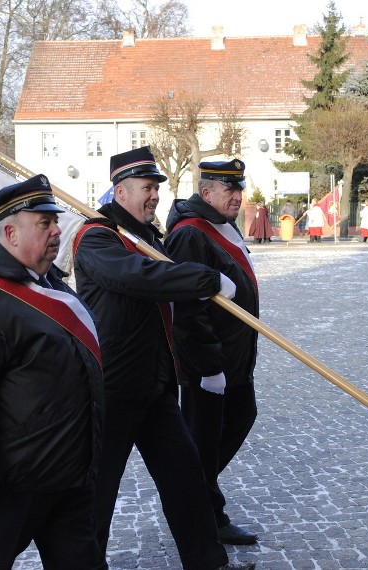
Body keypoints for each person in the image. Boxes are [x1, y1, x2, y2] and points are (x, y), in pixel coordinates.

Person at [73, 146, 254, 570]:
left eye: (156, 188)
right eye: (146, 188)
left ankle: (207, 561)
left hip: (156, 385)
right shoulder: (96, 238)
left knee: (186, 479)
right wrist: (207, 279)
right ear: (120, 191)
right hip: (114, 386)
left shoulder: (149, 236)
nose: (154, 196)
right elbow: (141, 278)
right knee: (99, 492)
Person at [0, 175, 107, 570]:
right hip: (13, 480)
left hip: (70, 475)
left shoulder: (54, 286)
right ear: (10, 232)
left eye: (55, 222)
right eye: (44, 223)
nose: (57, 230)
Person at [164, 159, 260, 546]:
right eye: (228, 189)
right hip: (209, 363)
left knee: (239, 418)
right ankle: (204, 514)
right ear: (207, 193)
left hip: (234, 357)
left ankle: (192, 497)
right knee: (203, 440)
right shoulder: (191, 234)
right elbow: (187, 307)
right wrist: (207, 366)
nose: (237, 196)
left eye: (239, 188)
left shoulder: (222, 224)